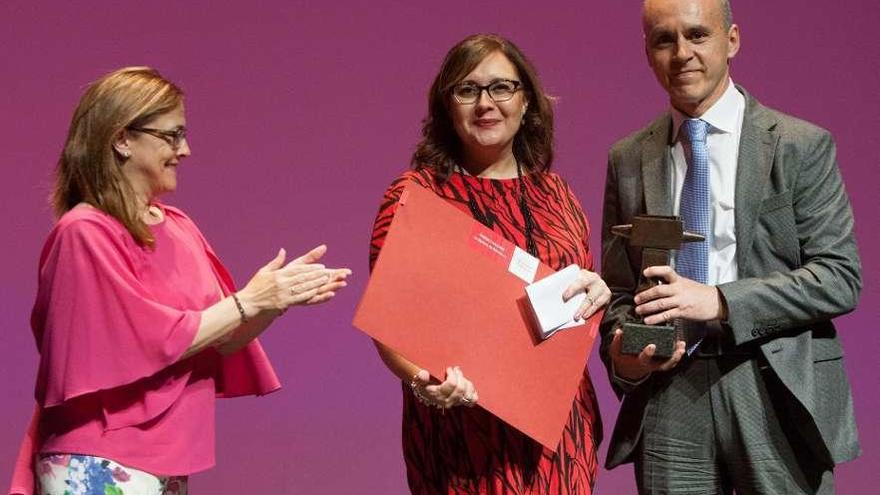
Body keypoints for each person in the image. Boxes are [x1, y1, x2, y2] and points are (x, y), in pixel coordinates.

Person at [8, 67, 351, 495]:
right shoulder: (85, 233)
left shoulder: (179, 227)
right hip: (98, 457)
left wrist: (275, 300)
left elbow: (220, 336)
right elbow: (145, 339)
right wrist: (248, 300)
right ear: (121, 139)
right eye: (172, 136)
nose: (185, 150)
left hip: (169, 458)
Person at [599, 0, 862, 493]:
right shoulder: (628, 158)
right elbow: (618, 291)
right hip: (668, 393)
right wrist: (623, 354)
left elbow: (840, 277)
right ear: (647, 52)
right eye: (664, 40)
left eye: (697, 35)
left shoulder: (798, 145)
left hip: (772, 380)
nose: (681, 54)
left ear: (732, 40)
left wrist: (721, 301)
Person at [369, 34, 610, 494]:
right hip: (460, 440)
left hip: (557, 439)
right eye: (467, 89)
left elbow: (577, 304)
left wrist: (597, 295)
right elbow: (389, 323)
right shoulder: (414, 197)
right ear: (447, 106)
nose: (486, 103)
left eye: (501, 87)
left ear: (526, 102)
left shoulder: (560, 199)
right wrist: (425, 380)